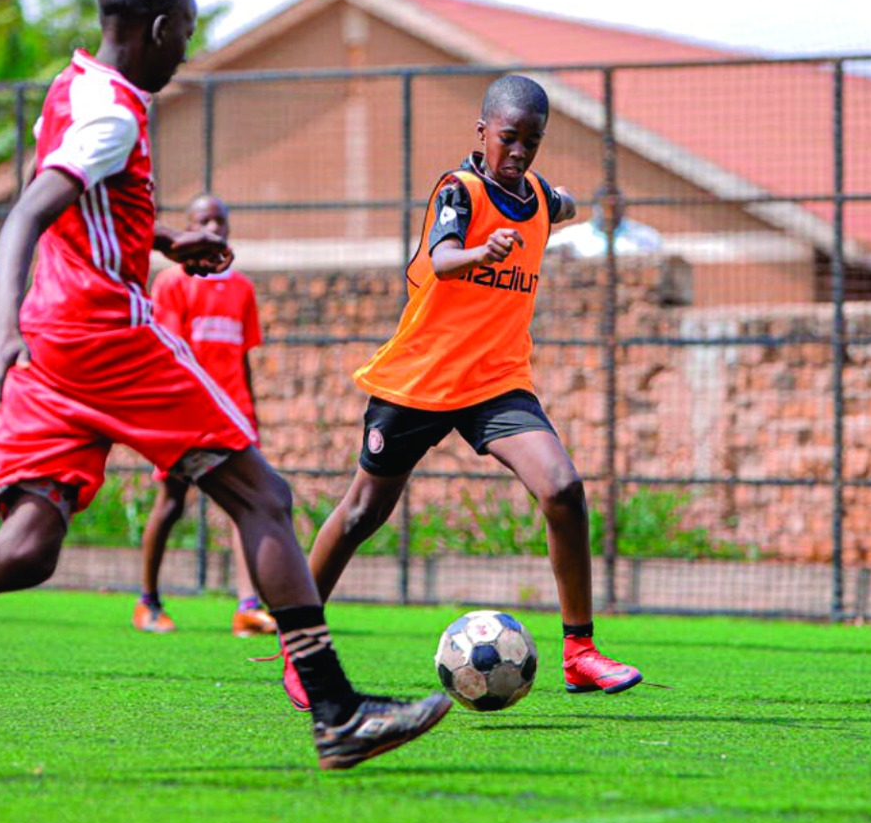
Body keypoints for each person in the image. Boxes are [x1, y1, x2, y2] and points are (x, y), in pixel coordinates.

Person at [0, 0, 449, 771]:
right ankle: (335, 710)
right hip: (105, 338)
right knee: (263, 495)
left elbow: (81, 204)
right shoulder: (115, 115)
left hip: (55, 344)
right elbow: (27, 215)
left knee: (28, 546)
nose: (185, 53)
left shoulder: (73, 88)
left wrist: (164, 241)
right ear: (156, 30)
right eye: (184, 36)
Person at [285, 74, 644, 711]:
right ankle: (300, 648)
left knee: (563, 488)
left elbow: (561, 204)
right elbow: (443, 257)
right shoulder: (458, 190)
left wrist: (563, 203)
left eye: (532, 141)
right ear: (482, 132)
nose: (519, 151)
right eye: (508, 138)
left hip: (495, 381)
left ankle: (580, 653)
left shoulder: (535, 194)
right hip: (420, 378)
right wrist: (484, 249)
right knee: (364, 512)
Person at [135, 194, 276, 638]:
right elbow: (170, 353)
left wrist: (250, 412)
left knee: (246, 505)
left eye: (219, 221)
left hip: (232, 414)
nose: (213, 227)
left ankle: (247, 607)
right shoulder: (172, 283)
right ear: (188, 228)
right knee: (171, 503)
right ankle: (147, 602)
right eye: (203, 221)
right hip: (186, 412)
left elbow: (243, 357)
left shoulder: (243, 288)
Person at [547, 185, 662, 260]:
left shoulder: (643, 236)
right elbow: (548, 248)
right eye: (605, 206)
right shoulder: (574, 236)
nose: (610, 211)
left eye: (615, 206)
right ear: (595, 207)